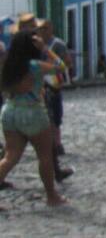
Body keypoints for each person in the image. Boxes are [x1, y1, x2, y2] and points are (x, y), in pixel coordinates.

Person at [0, 31, 68, 206]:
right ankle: (52, 196)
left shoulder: (7, 65)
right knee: (44, 156)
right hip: (32, 113)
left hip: (10, 111)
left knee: (10, 157)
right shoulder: (34, 66)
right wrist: (45, 48)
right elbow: (61, 66)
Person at [37, 20, 73, 182]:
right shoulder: (34, 54)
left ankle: (57, 148)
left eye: (45, 28)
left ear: (51, 28)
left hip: (51, 87)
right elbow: (60, 65)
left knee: (55, 119)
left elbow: (66, 63)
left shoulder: (57, 44)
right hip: (38, 96)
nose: (42, 31)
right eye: (40, 28)